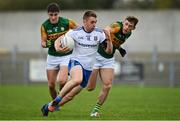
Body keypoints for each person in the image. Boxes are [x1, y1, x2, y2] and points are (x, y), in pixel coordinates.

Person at [41, 10, 112, 116]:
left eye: (95, 22)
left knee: (70, 96)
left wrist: (109, 39)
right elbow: (59, 39)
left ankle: (49, 106)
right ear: (85, 21)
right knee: (77, 79)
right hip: (76, 62)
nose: (94, 24)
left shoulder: (100, 33)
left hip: (88, 68)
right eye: (92, 22)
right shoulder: (75, 32)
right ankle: (57, 98)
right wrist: (57, 47)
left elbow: (109, 52)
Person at [86, 16, 139, 117]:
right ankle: (75, 78)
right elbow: (106, 30)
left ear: (133, 28)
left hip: (108, 59)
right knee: (90, 88)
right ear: (123, 22)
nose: (127, 27)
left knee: (107, 85)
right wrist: (109, 42)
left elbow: (116, 41)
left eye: (130, 26)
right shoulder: (117, 26)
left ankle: (95, 111)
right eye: (126, 24)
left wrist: (119, 48)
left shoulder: (128, 34)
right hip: (96, 56)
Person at [41, 3, 77, 100]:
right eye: (51, 15)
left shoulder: (67, 22)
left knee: (62, 81)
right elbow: (43, 43)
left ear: (59, 13)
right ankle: (54, 103)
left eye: (55, 14)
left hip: (66, 55)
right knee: (51, 85)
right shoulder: (45, 26)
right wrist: (53, 44)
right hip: (52, 56)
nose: (53, 17)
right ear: (48, 14)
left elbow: (78, 32)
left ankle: (60, 97)